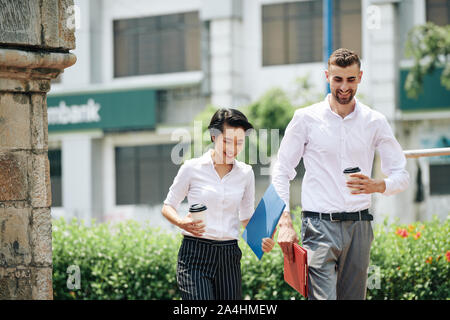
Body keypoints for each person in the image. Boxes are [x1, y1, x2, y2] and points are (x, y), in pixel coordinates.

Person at [272, 48, 409, 300]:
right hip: (318, 226)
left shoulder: (374, 121)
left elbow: (401, 174)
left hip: (360, 226)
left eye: (351, 79)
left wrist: (377, 185)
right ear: (327, 76)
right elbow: (281, 171)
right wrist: (285, 223)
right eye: (338, 79)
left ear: (360, 77)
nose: (344, 87)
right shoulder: (305, 118)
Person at [162, 108, 275, 300]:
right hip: (194, 254)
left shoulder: (246, 173)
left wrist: (261, 239)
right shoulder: (192, 168)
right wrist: (181, 222)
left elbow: (246, 216)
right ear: (214, 137)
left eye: (239, 142)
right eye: (227, 141)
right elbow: (168, 206)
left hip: (228, 256)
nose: (233, 148)